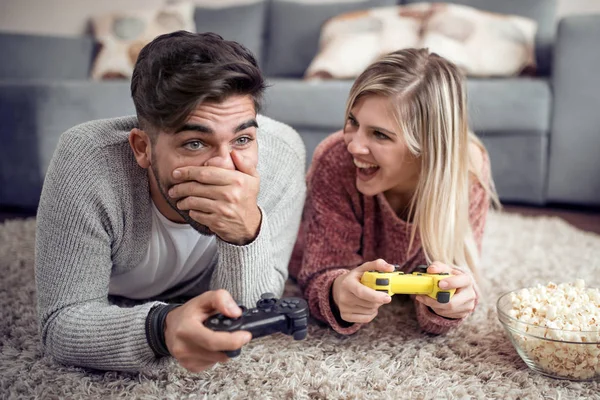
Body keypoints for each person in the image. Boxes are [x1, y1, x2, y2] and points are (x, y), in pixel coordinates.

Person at [35, 31, 306, 372]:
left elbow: (251, 313)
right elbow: (62, 323)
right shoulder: (89, 162)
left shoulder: (280, 156)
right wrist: (161, 328)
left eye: (242, 138)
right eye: (195, 143)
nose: (224, 167)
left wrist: (245, 232)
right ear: (142, 148)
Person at [289, 48, 499, 335]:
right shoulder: (336, 158)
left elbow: (449, 286)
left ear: (427, 147)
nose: (353, 145)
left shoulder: (467, 170)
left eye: (379, 134)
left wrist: (448, 306)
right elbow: (318, 273)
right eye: (353, 122)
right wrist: (337, 292)